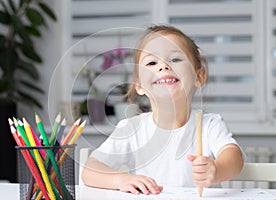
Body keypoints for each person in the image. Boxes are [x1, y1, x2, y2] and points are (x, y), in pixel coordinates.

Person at [81, 25, 245, 195]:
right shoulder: (131, 129)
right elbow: (89, 171)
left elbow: (234, 159)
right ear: (139, 86)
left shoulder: (210, 125)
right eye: (152, 63)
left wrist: (216, 170)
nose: (164, 66)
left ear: (199, 76)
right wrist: (121, 180)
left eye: (175, 59)